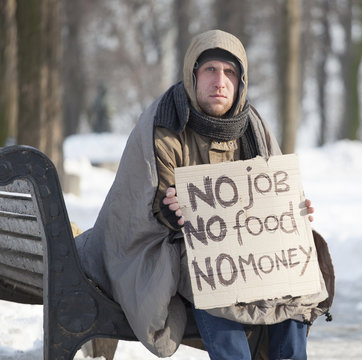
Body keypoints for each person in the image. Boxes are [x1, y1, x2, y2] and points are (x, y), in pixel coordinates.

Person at [76, 29, 333, 359]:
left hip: (244, 249)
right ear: (192, 75)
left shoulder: (254, 126)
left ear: (241, 82)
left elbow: (270, 192)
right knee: (212, 271)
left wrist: (288, 214)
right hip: (175, 248)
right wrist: (168, 211)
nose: (220, 81)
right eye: (210, 69)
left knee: (294, 275)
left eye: (230, 73)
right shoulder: (164, 125)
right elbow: (141, 202)